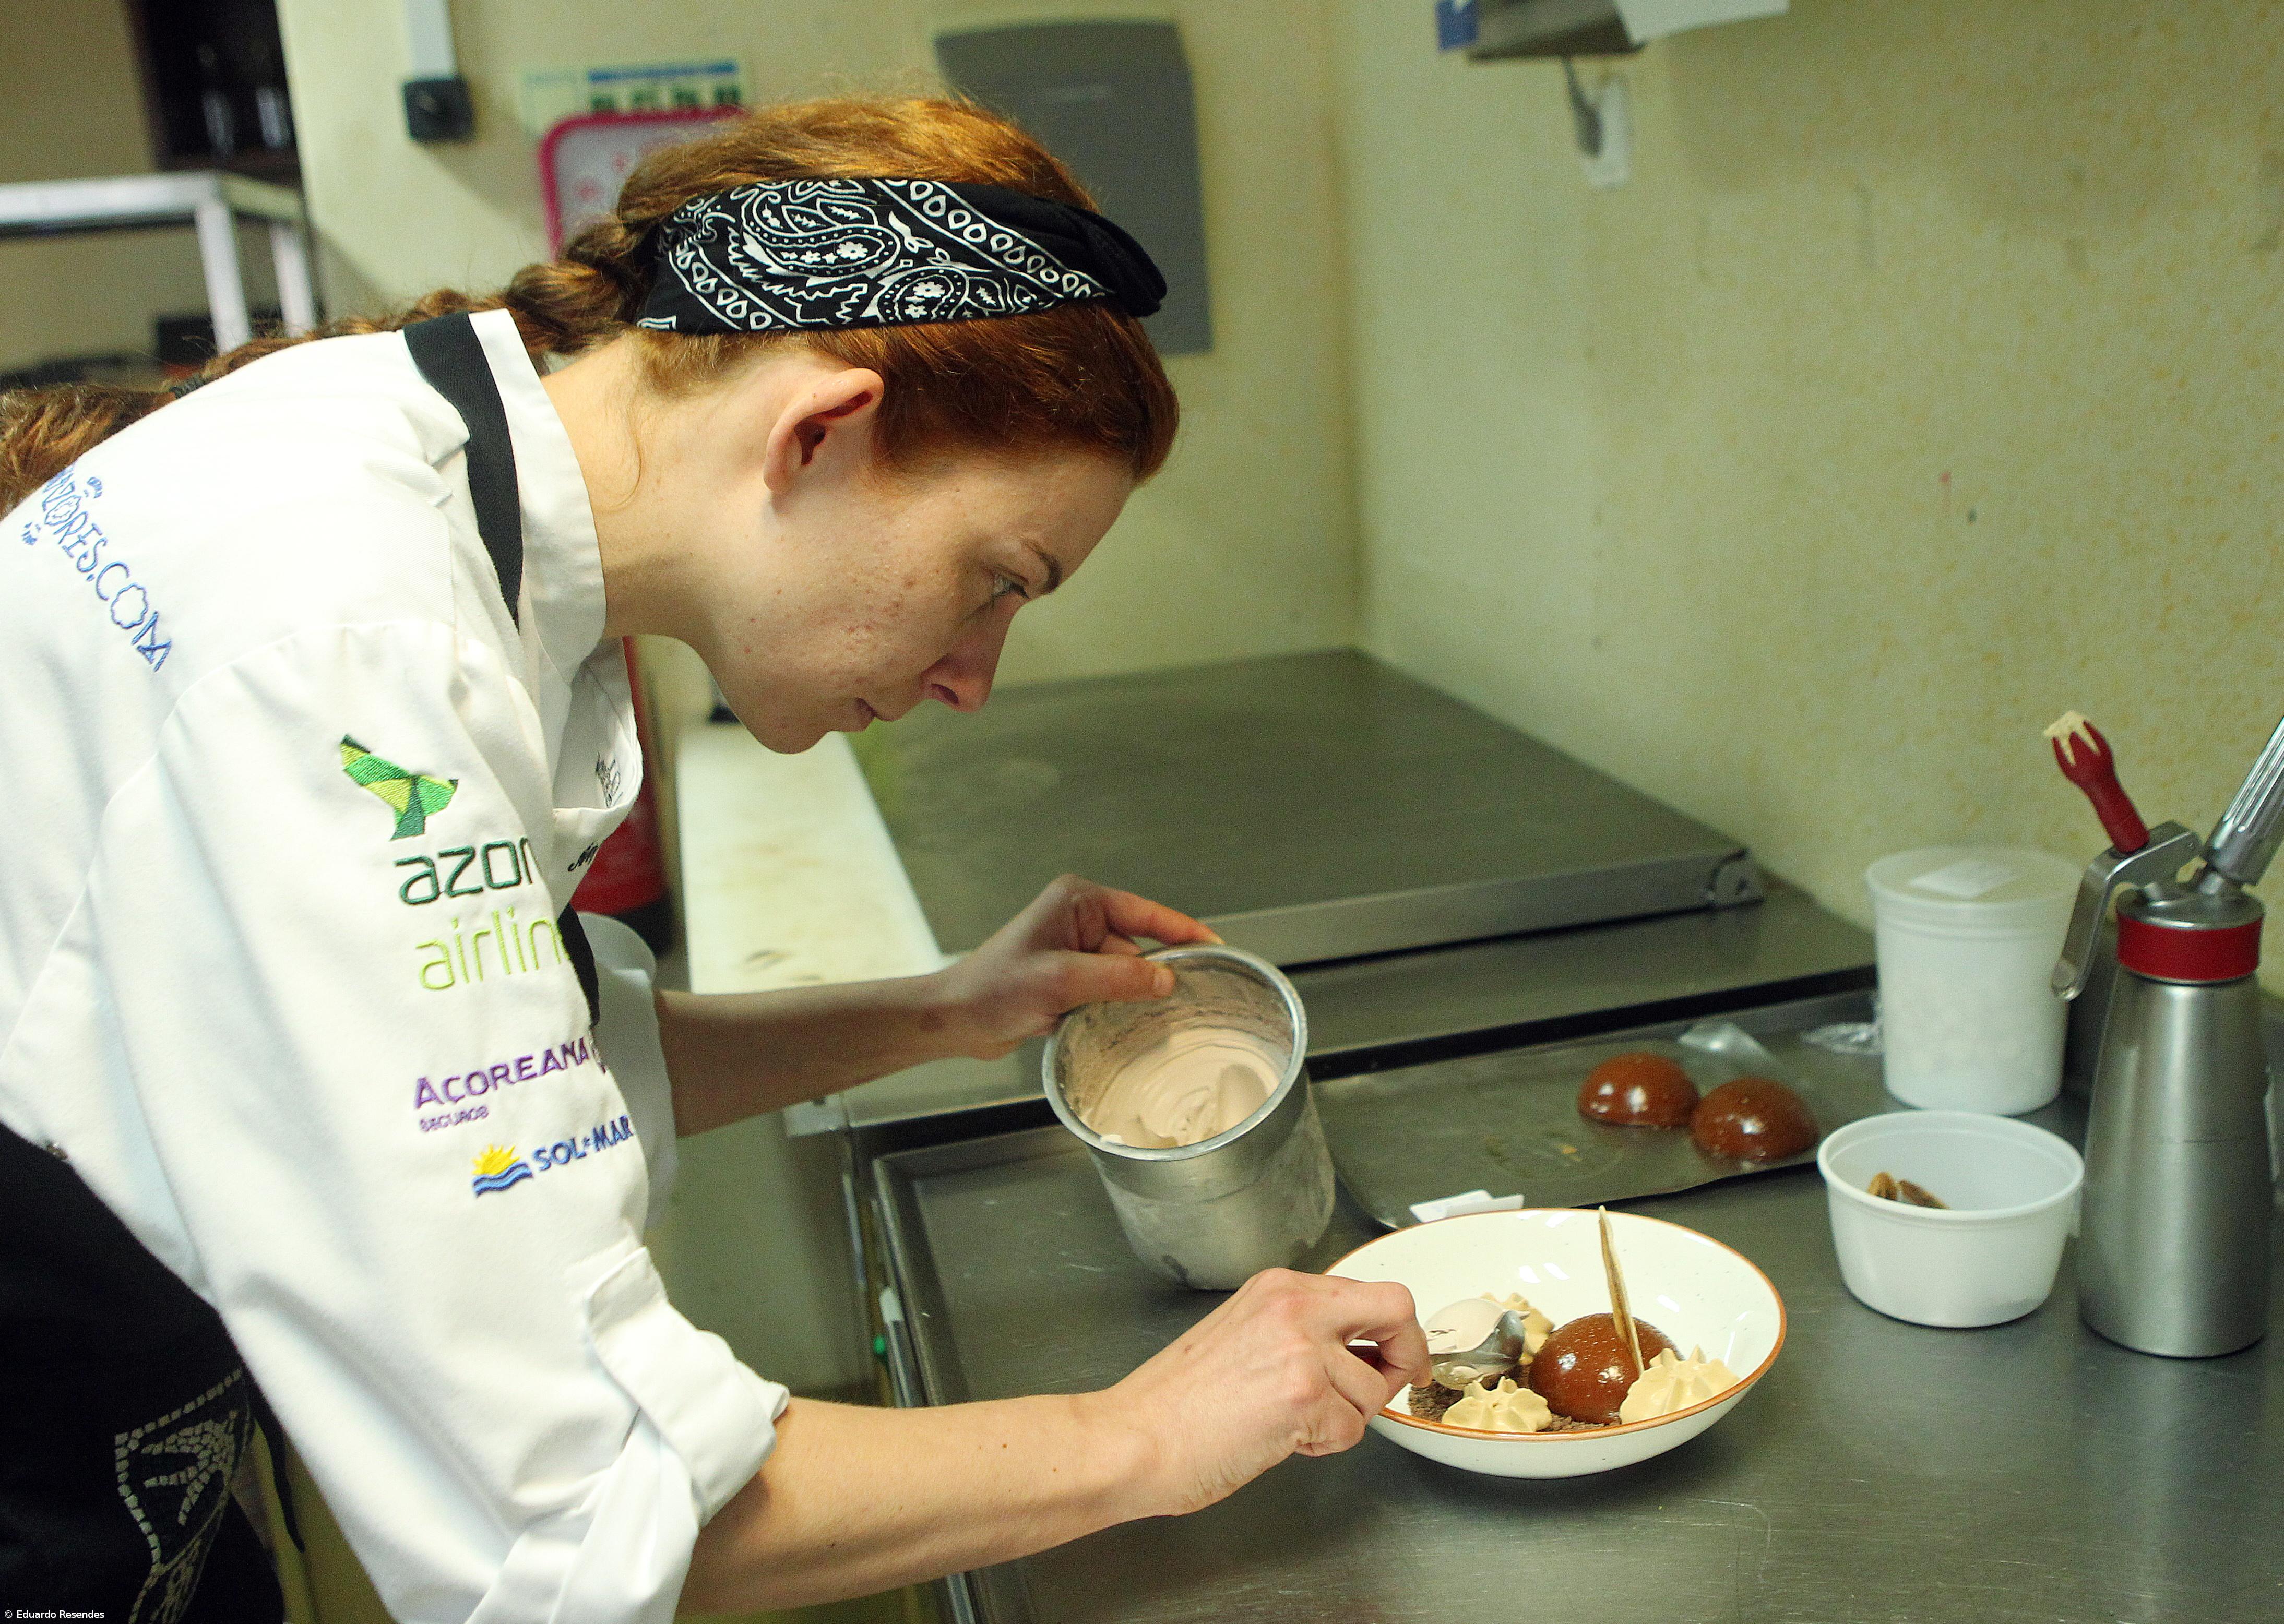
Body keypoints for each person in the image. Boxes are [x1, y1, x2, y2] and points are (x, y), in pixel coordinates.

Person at [0, 97, 1426, 1622]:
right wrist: (1147, 1434)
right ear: (818, 431)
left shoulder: (397, 467)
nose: (973, 677)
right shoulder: (352, 655)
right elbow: (578, 1512)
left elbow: (490, 1079)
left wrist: (950, 1010)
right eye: (993, 581)